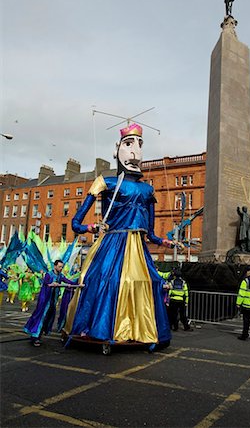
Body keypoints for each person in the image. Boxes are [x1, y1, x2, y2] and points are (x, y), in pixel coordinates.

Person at [64, 123, 175, 348]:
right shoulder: (106, 182)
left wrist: (165, 241)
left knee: (145, 281)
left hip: (138, 248)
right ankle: (96, 328)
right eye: (128, 144)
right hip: (111, 244)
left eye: (140, 144)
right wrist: (91, 228)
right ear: (117, 150)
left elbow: (151, 234)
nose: (135, 151)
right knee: (106, 280)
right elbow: (76, 223)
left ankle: (138, 329)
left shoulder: (147, 190)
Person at [24, 260, 81, 346]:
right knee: (40, 318)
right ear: (55, 266)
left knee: (47, 319)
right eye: (59, 267)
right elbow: (46, 283)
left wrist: (80, 279)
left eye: (62, 267)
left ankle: (37, 336)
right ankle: (35, 337)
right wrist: (51, 283)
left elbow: (68, 281)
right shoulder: (49, 274)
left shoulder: (60, 276)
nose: (61, 268)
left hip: (52, 302)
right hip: (44, 302)